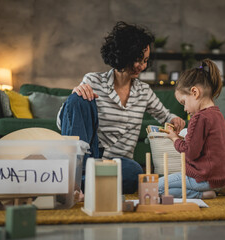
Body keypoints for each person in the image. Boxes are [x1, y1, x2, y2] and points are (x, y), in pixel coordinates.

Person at [57, 21, 185, 194]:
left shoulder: (144, 91)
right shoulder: (93, 81)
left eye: (146, 60)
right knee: (77, 98)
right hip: (88, 157)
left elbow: (165, 116)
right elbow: (62, 122)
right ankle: (79, 179)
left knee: (135, 173)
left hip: (119, 164)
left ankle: (74, 185)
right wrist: (73, 96)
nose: (143, 66)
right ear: (124, 55)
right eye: (138, 60)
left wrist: (175, 120)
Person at [158, 59, 225, 199]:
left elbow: (190, 152)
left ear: (194, 92)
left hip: (202, 179)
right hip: (220, 177)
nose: (184, 108)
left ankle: (201, 194)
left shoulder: (198, 118)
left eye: (183, 102)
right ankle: (223, 186)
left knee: (155, 187)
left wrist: (174, 138)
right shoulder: (217, 114)